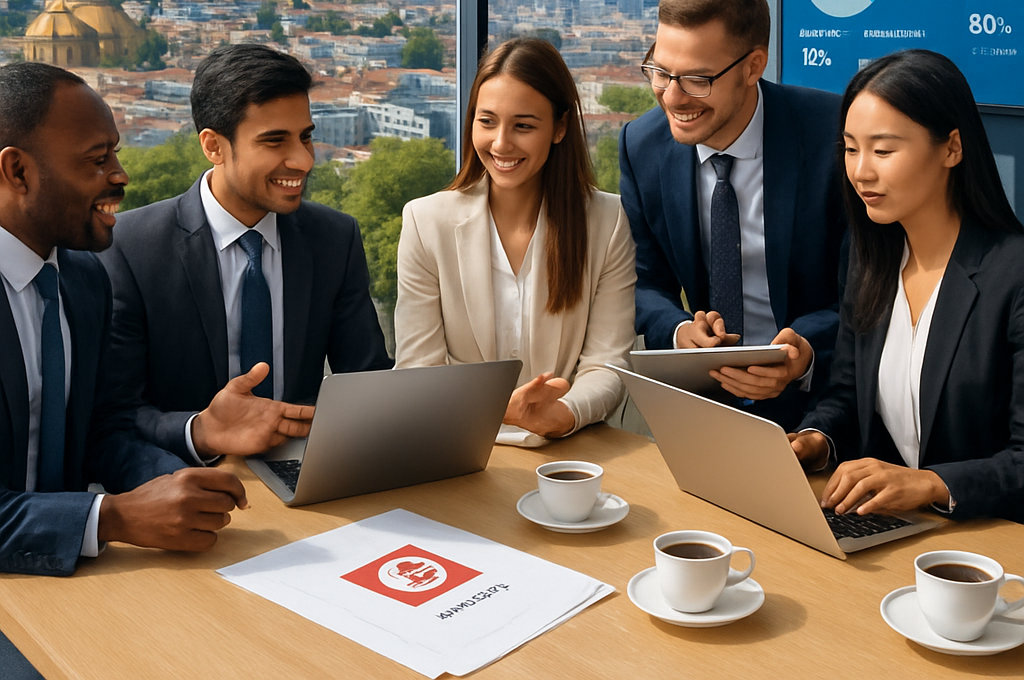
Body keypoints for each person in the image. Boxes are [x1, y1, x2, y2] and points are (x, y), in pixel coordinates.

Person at [0, 63, 247, 580]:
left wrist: (182, 483)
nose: (120, 174)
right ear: (17, 171)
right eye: (96, 160)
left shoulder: (84, 279)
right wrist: (110, 517)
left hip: (74, 584)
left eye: (115, 152)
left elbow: (101, 431)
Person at [99, 45, 392, 465]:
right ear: (214, 146)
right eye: (275, 141)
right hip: (188, 479)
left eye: (305, 136)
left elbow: (367, 384)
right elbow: (115, 418)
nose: (304, 160)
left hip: (312, 474)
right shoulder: (130, 248)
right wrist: (201, 432)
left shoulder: (334, 237)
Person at [790, 49, 1024, 522]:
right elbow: (848, 394)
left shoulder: (1012, 274)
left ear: (952, 148)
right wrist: (815, 441)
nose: (861, 171)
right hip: (893, 531)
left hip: (985, 547)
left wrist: (932, 483)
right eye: (851, 149)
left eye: (883, 150)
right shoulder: (868, 256)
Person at [618, 0, 846, 429]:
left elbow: (872, 287)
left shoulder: (834, 136)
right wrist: (681, 332)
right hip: (705, 400)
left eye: (697, 79)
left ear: (752, 66)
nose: (673, 97)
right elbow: (641, 281)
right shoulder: (642, 144)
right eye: (660, 72)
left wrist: (802, 352)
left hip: (827, 397)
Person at [394, 37, 636, 440]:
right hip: (456, 445)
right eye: (486, 121)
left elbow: (608, 364)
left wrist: (564, 413)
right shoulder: (425, 221)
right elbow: (419, 369)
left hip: (566, 451)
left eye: (523, 125)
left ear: (560, 128)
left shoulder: (606, 221)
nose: (501, 143)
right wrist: (488, 411)